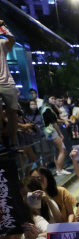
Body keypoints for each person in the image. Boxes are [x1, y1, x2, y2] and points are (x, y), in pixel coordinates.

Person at [0, 20, 20, 154]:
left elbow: (12, 39)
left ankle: (13, 142)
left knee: (12, 113)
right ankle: (1, 143)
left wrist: (2, 27)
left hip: (6, 81)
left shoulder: (1, 43)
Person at [40, 96, 69, 174]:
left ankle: (59, 169)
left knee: (57, 151)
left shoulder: (46, 109)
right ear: (47, 100)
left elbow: (59, 113)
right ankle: (60, 169)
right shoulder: (48, 109)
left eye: (54, 99)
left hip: (49, 131)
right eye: (52, 99)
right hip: (53, 131)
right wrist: (60, 133)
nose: (54, 100)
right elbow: (54, 122)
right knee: (62, 150)